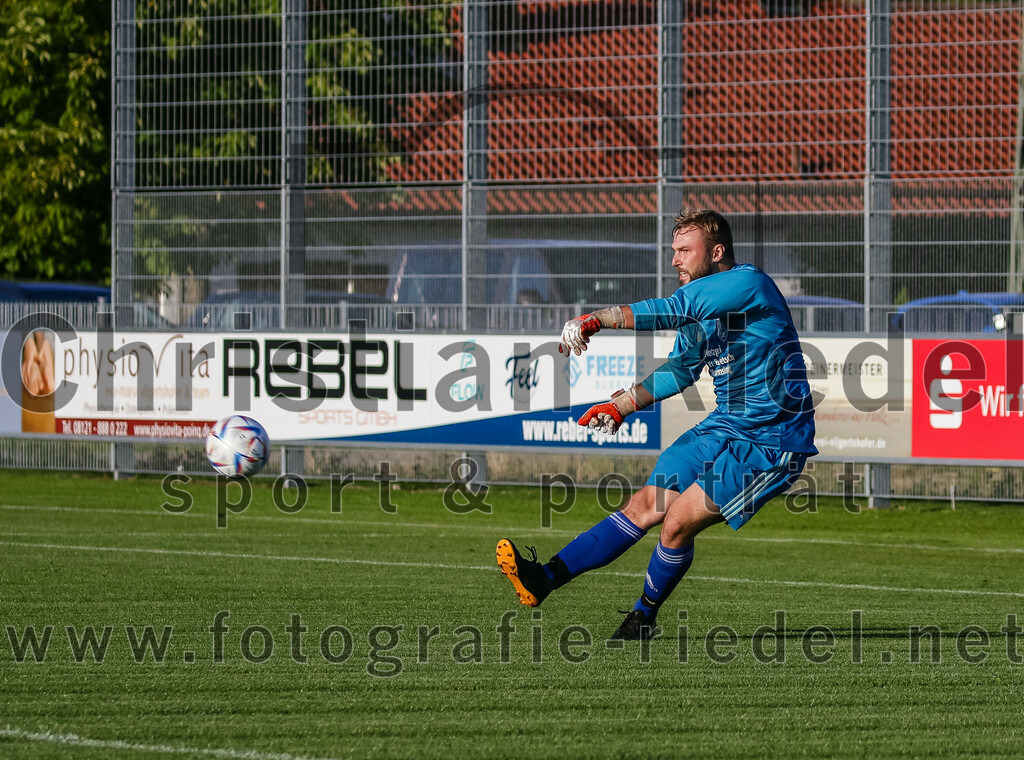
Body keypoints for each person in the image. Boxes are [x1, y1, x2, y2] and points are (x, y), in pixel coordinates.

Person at [496, 208, 817, 640]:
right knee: (645, 504)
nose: (675, 260)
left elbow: (673, 309)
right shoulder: (699, 308)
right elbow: (682, 370)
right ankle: (543, 579)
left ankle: (642, 617)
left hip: (771, 440)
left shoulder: (748, 283)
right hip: (723, 425)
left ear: (716, 251)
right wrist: (623, 406)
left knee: (677, 521)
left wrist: (598, 319)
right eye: (673, 251)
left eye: (685, 250)